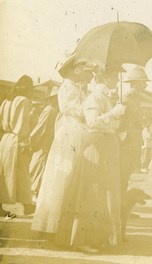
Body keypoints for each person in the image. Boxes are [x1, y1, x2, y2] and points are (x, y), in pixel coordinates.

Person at [54, 64, 125, 252]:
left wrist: (115, 115)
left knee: (102, 193)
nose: (116, 80)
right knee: (90, 191)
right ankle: (80, 239)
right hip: (97, 145)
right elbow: (92, 122)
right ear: (104, 77)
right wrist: (113, 114)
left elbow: (111, 123)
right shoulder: (95, 97)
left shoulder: (106, 97)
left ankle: (95, 236)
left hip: (107, 145)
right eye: (114, 75)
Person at [31, 54, 95, 234]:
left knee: (72, 173)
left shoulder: (78, 88)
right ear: (74, 70)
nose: (85, 73)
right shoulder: (67, 87)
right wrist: (90, 106)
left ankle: (63, 222)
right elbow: (72, 109)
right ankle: (54, 222)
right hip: (70, 130)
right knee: (64, 173)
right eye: (83, 69)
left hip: (76, 130)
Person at [0, 75, 35, 218]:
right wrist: (25, 142)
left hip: (5, 139)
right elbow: (22, 125)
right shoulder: (24, 101)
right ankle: (26, 205)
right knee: (22, 174)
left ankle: (5, 205)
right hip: (17, 140)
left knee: (4, 174)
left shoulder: (6, 102)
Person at [118, 66, 149, 217]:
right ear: (136, 82)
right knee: (122, 176)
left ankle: (123, 208)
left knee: (126, 175)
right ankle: (120, 209)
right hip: (128, 140)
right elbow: (121, 120)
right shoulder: (127, 98)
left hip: (134, 139)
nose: (146, 85)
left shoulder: (135, 98)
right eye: (144, 82)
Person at [29, 87, 59, 202]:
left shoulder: (54, 110)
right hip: (42, 144)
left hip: (47, 143)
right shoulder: (50, 110)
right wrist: (31, 142)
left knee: (42, 167)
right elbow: (40, 128)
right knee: (38, 166)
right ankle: (34, 193)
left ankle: (36, 193)